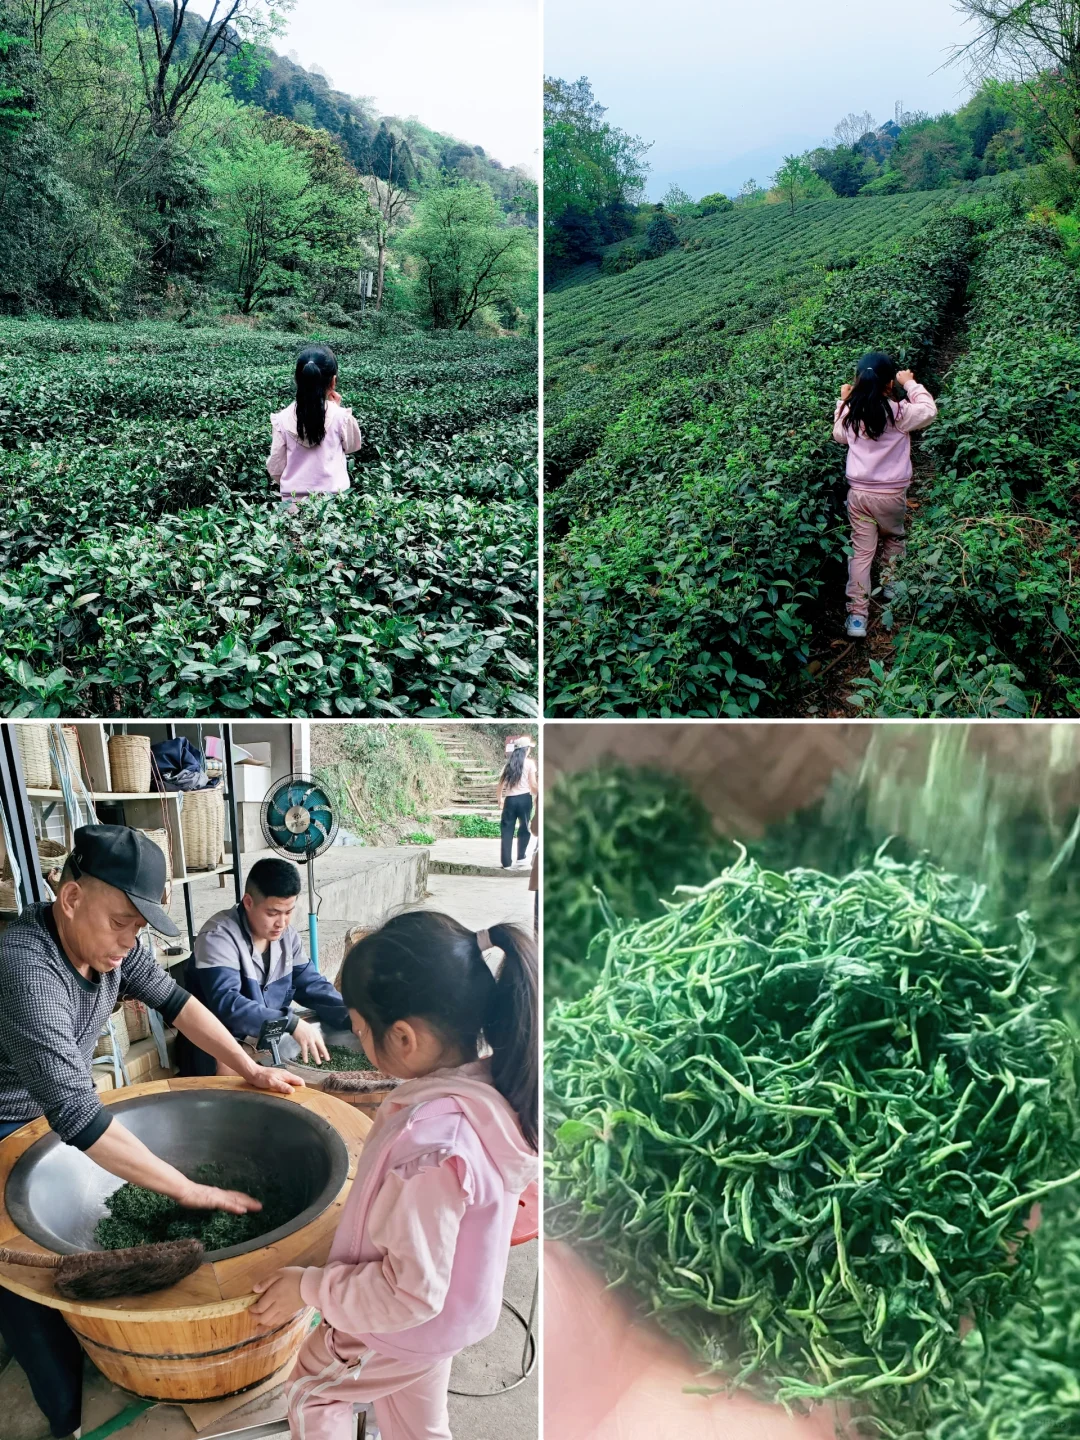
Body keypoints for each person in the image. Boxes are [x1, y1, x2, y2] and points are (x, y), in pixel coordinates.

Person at [0, 825, 303, 1440]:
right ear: (71, 898)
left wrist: (249, 1068)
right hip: (6, 1117)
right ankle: (64, 1420)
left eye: (138, 929)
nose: (127, 942)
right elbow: (76, 1113)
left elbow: (178, 1003)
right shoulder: (25, 967)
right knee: (27, 1286)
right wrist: (188, 1189)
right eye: (120, 923)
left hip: (51, 1109)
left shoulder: (116, 947)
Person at [249, 909, 538, 1440]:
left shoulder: (431, 1150)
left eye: (361, 1030)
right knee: (418, 1423)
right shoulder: (485, 1091)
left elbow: (408, 1294)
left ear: (403, 1037)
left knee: (315, 1392)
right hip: (443, 1323)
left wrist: (309, 1288)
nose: (360, 1041)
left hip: (399, 1330)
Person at [181, 856, 353, 1075]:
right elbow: (228, 1004)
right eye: (272, 913)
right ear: (248, 902)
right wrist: (290, 1022)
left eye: (288, 912)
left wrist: (355, 1015)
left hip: (265, 1041)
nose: (281, 923)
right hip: (220, 1047)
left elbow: (312, 985)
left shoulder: (287, 937)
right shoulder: (218, 937)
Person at [832, 351, 937, 639]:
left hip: (859, 496)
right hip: (892, 495)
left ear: (857, 381)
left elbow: (839, 435)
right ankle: (891, 584)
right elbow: (929, 411)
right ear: (890, 384)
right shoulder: (899, 413)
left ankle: (857, 617)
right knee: (894, 537)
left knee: (861, 553)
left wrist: (843, 401)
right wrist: (910, 383)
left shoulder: (852, 414)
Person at [267, 343, 362, 506]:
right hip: (333, 505)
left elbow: (276, 467)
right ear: (333, 381)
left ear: (298, 380)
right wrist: (336, 408)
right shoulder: (341, 417)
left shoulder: (281, 420)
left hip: (292, 505)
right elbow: (353, 446)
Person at [497, 735, 537, 871]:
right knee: (524, 827)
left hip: (510, 800)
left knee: (507, 830)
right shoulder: (530, 763)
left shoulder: (508, 764)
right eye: (529, 748)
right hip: (524, 799)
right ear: (526, 749)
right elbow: (533, 785)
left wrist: (500, 800)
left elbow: (500, 785)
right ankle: (521, 857)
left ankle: (506, 862)